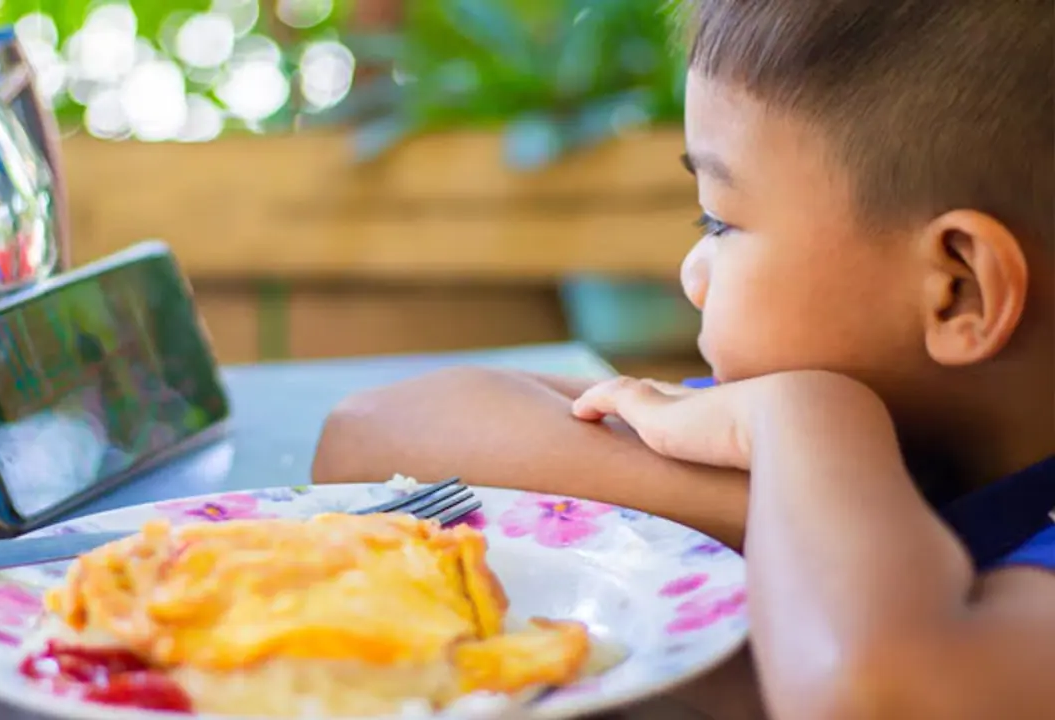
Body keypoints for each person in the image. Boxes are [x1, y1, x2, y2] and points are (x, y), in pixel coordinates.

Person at [312, 1, 1054, 717]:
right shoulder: (832, 438)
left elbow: (876, 697)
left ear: (958, 292)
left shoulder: (810, 416)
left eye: (721, 223)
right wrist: (819, 502)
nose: (692, 273)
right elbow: (371, 435)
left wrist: (810, 419)